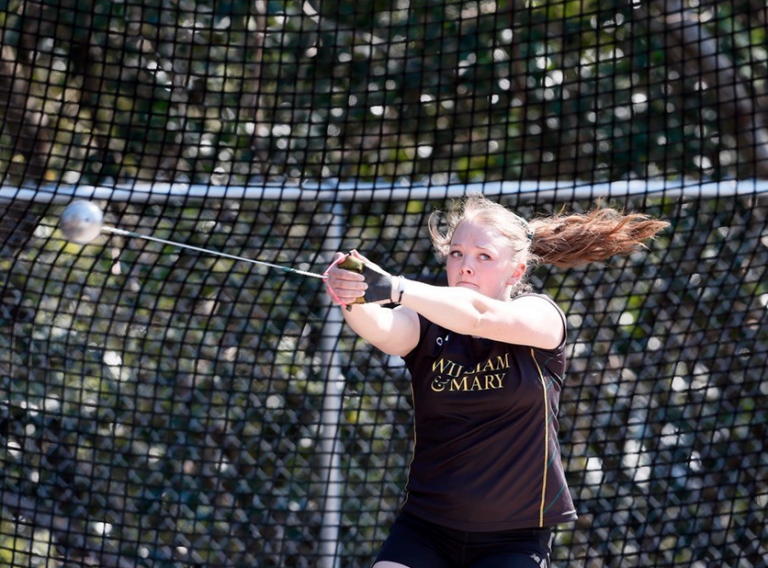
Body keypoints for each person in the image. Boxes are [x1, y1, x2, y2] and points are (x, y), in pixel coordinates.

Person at [324, 194, 668, 568]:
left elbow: (476, 317)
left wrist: (393, 286)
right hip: (425, 529)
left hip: (515, 539)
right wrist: (353, 297)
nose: (465, 266)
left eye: (483, 256)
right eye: (456, 253)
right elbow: (384, 329)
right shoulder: (424, 319)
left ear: (516, 271)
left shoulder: (540, 316)